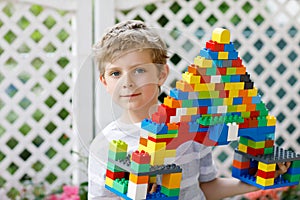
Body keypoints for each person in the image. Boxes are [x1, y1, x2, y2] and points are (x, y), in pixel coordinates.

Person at [88, 20, 290, 200]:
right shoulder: (104, 145)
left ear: (161, 74)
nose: (128, 82)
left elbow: (206, 187)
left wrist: (253, 181)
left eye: (139, 70)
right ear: (104, 82)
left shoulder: (191, 127)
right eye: (115, 73)